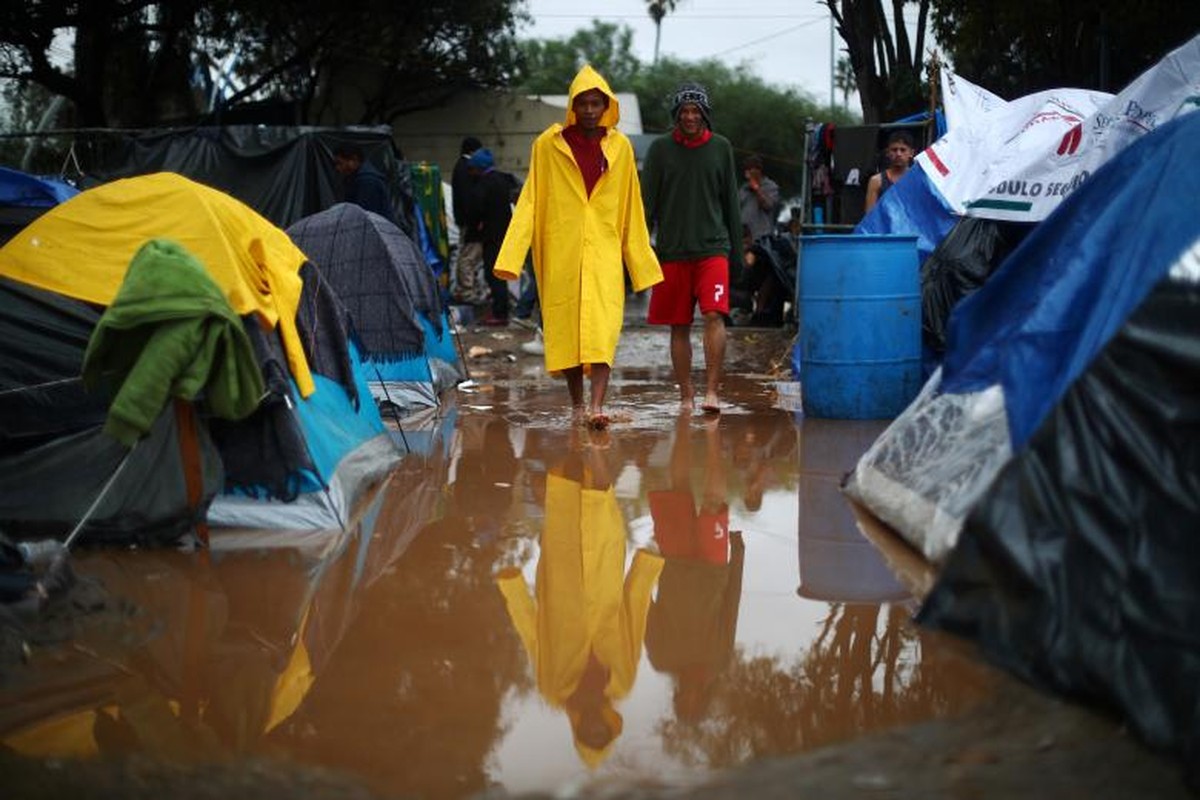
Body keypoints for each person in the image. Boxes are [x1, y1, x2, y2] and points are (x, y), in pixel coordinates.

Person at [493, 64, 662, 430]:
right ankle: (576, 404)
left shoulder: (621, 149)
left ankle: (597, 405)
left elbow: (631, 207)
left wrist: (641, 263)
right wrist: (510, 257)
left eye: (595, 103)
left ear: (606, 106)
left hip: (603, 251)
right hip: (562, 251)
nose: (589, 109)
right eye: (582, 102)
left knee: (602, 328)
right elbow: (530, 202)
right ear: (573, 105)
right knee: (567, 330)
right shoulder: (548, 146)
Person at [642, 81, 743, 414]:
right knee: (679, 325)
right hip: (672, 250)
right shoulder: (659, 150)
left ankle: (712, 393)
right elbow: (647, 206)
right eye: (684, 111)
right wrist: (639, 255)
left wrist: (737, 255)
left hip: (713, 248)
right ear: (676, 115)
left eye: (695, 111)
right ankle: (686, 396)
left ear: (704, 115)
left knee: (714, 314)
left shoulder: (721, 148)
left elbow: (730, 202)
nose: (689, 117)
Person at [467, 147, 518, 326]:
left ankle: (499, 313)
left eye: (472, 168)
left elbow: (477, 210)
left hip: (491, 235)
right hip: (505, 233)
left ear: (479, 167)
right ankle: (501, 309)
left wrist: (476, 225)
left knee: (493, 274)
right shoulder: (503, 180)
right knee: (500, 273)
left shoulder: (484, 184)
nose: (471, 172)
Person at [450, 136, 487, 304]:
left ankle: (464, 289)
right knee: (468, 257)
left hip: (465, 219)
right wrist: (474, 219)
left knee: (466, 255)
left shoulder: (460, 167)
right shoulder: (466, 168)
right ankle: (466, 292)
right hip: (469, 220)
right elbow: (467, 197)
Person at [332, 142, 396, 223]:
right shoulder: (355, 179)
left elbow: (366, 215)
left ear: (353, 159)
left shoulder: (367, 181)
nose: (338, 168)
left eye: (340, 163)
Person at [864, 130, 916, 213]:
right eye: (894, 150)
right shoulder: (876, 181)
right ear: (887, 152)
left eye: (903, 150)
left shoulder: (918, 179)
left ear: (911, 153)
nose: (898, 154)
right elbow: (870, 217)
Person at [738, 154, 780, 242]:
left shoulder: (771, 187)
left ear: (758, 170)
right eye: (746, 169)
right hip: (744, 237)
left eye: (750, 169)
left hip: (762, 238)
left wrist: (756, 188)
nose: (747, 172)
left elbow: (767, 206)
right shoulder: (744, 188)